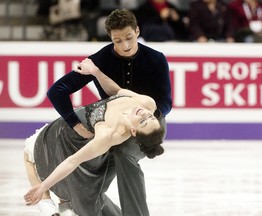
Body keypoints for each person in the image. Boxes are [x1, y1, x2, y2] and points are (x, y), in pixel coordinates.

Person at [40, 8, 172, 216]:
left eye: (129, 37)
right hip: (113, 126)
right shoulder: (100, 59)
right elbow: (56, 91)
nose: (125, 45)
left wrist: (146, 114)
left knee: (123, 152)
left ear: (137, 31)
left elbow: (166, 102)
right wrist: (74, 124)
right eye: (118, 41)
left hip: (149, 122)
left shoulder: (156, 58)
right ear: (110, 38)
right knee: (87, 177)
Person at [24, 58, 166, 216]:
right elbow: (117, 91)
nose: (145, 114)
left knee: (30, 157)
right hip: (62, 127)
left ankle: (48, 208)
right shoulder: (148, 104)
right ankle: (58, 208)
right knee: (30, 157)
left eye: (143, 122)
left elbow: (73, 161)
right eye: (151, 118)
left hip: (71, 142)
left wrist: (43, 187)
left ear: (133, 131)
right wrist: (95, 72)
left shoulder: (110, 134)